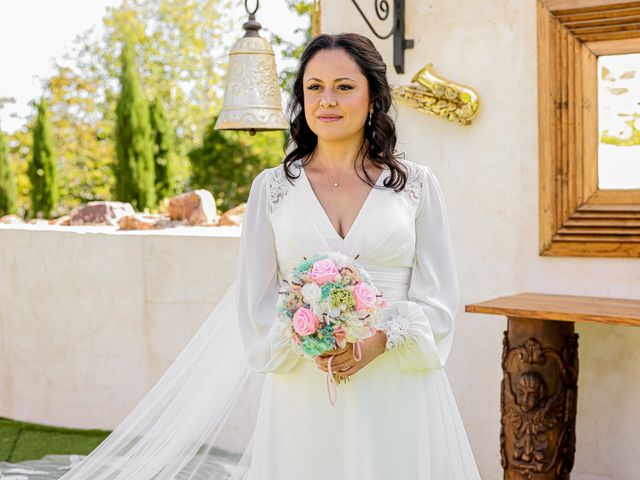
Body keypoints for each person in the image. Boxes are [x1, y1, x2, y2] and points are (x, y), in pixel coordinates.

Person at [0, 33, 480, 479]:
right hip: (306, 386)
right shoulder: (272, 189)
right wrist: (312, 340)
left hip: (395, 380)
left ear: (372, 97)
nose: (327, 100)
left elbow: (439, 296)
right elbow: (255, 299)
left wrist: (378, 339)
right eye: (314, 87)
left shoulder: (415, 185)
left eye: (343, 86)